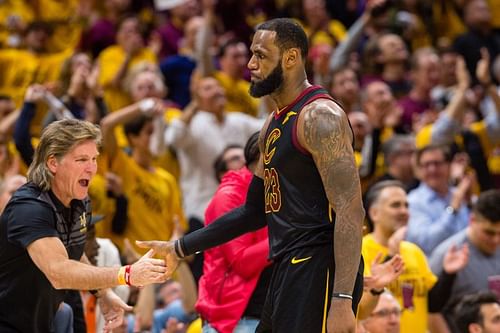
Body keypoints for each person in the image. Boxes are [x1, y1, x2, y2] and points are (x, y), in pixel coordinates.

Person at [138, 18, 364, 333]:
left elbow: (351, 211)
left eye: (260, 55)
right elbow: (252, 211)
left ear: (291, 58)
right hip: (287, 265)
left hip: (320, 264)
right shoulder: (272, 124)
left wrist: (341, 298)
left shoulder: (320, 117)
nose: (250, 64)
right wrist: (181, 247)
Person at [0, 119, 167, 333]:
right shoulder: (30, 208)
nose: (92, 169)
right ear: (53, 163)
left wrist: (103, 293)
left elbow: (72, 250)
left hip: (40, 319)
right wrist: (126, 274)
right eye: (81, 160)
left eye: (94, 159)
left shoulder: (79, 200)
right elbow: (58, 271)